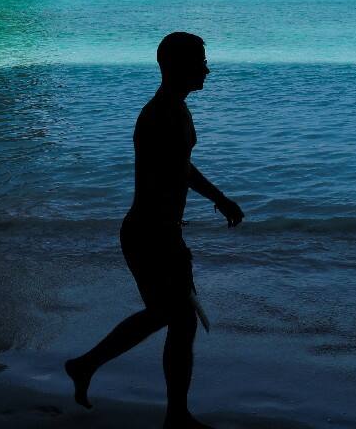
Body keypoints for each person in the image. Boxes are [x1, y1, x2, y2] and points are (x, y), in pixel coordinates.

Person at [65, 32, 244, 429]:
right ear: (177, 67)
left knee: (173, 317)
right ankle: (171, 414)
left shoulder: (175, 110)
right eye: (200, 61)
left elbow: (182, 167)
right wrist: (220, 199)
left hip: (158, 232)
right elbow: (178, 170)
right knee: (176, 317)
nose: (207, 69)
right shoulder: (163, 114)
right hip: (150, 234)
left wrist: (217, 199)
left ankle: (91, 368)